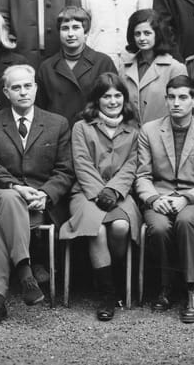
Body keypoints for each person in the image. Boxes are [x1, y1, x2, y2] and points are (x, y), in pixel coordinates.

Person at [0, 64, 74, 328]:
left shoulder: (57, 123)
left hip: (38, 201)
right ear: (6, 92)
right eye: (16, 87)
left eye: (27, 86)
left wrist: (46, 194)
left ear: (36, 88)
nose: (23, 92)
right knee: (10, 199)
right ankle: (25, 271)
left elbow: (65, 170)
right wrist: (14, 186)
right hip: (0, 191)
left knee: (1, 222)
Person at [135, 75, 194, 323]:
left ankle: (192, 290)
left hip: (191, 199)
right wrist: (153, 198)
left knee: (186, 221)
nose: (176, 103)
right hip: (159, 195)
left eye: (183, 97)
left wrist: (187, 198)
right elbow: (142, 175)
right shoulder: (149, 130)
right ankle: (165, 286)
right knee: (159, 227)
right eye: (171, 97)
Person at [59, 73, 140, 321]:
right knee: (98, 230)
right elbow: (81, 162)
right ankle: (107, 294)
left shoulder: (134, 129)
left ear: (124, 98)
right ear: (97, 99)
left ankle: (114, 274)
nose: (113, 101)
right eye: (106, 96)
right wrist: (98, 192)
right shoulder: (82, 127)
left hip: (120, 192)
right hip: (86, 192)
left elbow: (132, 164)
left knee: (120, 226)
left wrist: (113, 190)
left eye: (117, 95)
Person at [36, 6, 116, 123]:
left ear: (85, 32)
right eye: (65, 28)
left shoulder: (103, 63)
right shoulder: (46, 67)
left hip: (92, 129)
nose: (70, 34)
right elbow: (40, 108)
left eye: (76, 27)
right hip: (57, 131)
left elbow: (113, 102)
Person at [120, 9, 187, 124]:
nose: (142, 38)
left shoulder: (175, 68)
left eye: (147, 33)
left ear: (158, 34)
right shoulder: (124, 68)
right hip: (130, 133)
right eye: (137, 34)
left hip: (163, 132)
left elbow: (182, 110)